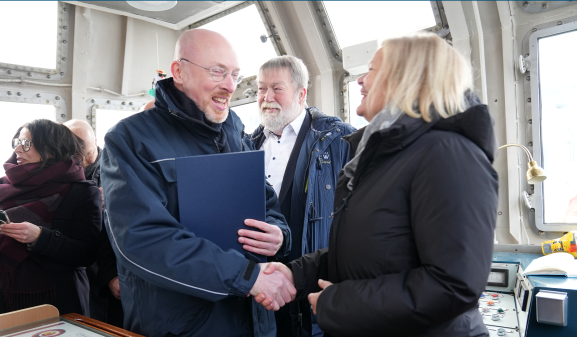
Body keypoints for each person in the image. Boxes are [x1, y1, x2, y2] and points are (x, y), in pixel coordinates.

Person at [258, 33, 499, 336]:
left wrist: (339, 303)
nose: (359, 80)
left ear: (406, 79)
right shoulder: (383, 156)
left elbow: (452, 285)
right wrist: (295, 273)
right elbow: (364, 252)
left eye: (371, 71)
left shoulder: (449, 154)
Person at [100, 28, 295, 337]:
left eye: (235, 74)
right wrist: (245, 276)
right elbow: (142, 240)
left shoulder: (237, 136)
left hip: (254, 320)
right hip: (184, 325)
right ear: (179, 71)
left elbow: (268, 205)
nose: (230, 86)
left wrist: (279, 235)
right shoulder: (130, 140)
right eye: (217, 72)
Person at [248, 56, 355, 337]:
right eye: (261, 89)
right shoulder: (245, 145)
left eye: (277, 88)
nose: (267, 97)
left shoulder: (341, 140)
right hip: (258, 290)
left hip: (311, 289)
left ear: (301, 93)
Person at [0, 119, 102, 315]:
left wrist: (40, 237)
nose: (18, 150)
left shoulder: (81, 192)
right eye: (17, 143)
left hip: (54, 298)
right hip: (4, 293)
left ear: (51, 149)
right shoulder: (4, 186)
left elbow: (86, 253)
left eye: (27, 144)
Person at [64, 119, 123, 327]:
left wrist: (112, 202)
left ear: (95, 141)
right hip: (76, 263)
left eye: (86, 151)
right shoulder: (62, 175)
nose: (81, 158)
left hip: (106, 264)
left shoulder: (116, 167)